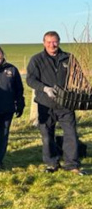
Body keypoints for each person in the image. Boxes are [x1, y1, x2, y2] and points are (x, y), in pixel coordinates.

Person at [26, 31, 86, 175]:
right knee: (47, 135)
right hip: (45, 104)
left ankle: (72, 164)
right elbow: (30, 80)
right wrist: (44, 88)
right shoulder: (37, 59)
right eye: (49, 42)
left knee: (71, 134)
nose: (52, 45)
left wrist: (82, 89)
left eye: (54, 42)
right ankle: (52, 163)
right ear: (43, 43)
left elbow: (79, 77)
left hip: (66, 104)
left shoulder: (69, 58)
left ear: (59, 42)